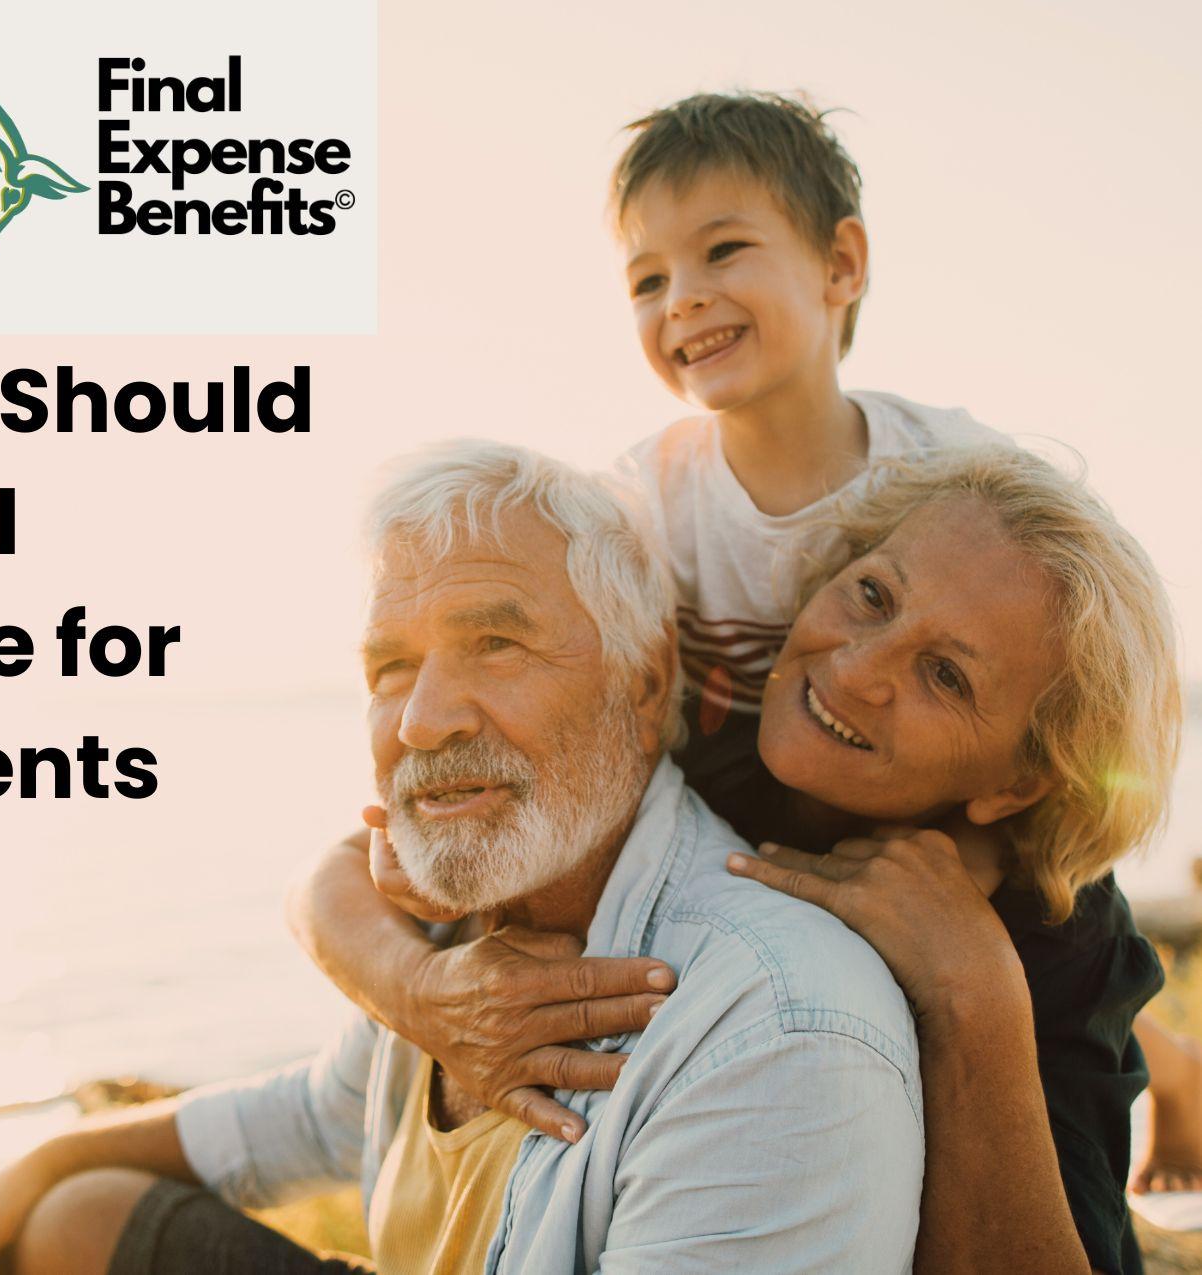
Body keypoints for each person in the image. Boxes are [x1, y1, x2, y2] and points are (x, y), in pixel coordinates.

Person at [294, 92, 1182, 1273]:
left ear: (842, 266)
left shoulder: (964, 476)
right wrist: (420, 985)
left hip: (985, 852)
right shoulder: (644, 501)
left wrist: (976, 964)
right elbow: (346, 876)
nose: (685, 299)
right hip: (749, 791)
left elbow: (1085, 660)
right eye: (647, 280)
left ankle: (1161, 1058)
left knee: (1081, 987)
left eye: (722, 253)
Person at [0, 442, 927, 1275]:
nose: (422, 720)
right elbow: (321, 1115)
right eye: (391, 666)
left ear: (642, 677)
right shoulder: (459, 924)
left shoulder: (774, 1026)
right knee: (69, 1218)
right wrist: (48, 1150)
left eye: (495, 643)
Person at [296, 445, 1181, 1275]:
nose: (857, 668)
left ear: (1015, 786)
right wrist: (419, 990)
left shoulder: (1060, 941)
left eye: (945, 676)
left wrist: (972, 993)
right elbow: (328, 879)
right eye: (872, 595)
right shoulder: (719, 746)